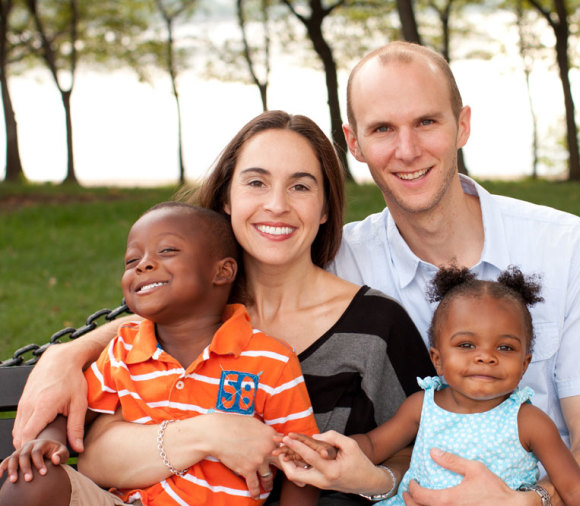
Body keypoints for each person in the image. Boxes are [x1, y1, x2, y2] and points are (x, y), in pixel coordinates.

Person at [275, 41, 580, 505]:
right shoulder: (338, 262)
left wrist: (526, 501)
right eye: (382, 128)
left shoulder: (568, 246)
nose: (407, 150)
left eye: (426, 122)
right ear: (354, 142)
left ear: (462, 125)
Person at [11, 111, 435, 505]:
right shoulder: (186, 309)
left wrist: (374, 480)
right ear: (228, 197)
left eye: (301, 186)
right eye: (256, 182)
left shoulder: (376, 327)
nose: (276, 204)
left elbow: (429, 447)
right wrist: (211, 432)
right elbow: (98, 460)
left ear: (325, 207)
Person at [0, 201, 320, 505]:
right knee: (32, 480)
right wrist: (50, 441)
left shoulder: (269, 360)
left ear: (221, 272)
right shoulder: (123, 350)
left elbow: (301, 462)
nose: (144, 264)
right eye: (131, 260)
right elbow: (74, 410)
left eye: (167, 251)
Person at [278, 265, 580, 506]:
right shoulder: (423, 405)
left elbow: (574, 487)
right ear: (437, 359)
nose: (485, 358)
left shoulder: (527, 421)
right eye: (466, 345)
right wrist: (329, 448)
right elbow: (375, 446)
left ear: (524, 363)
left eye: (504, 348)